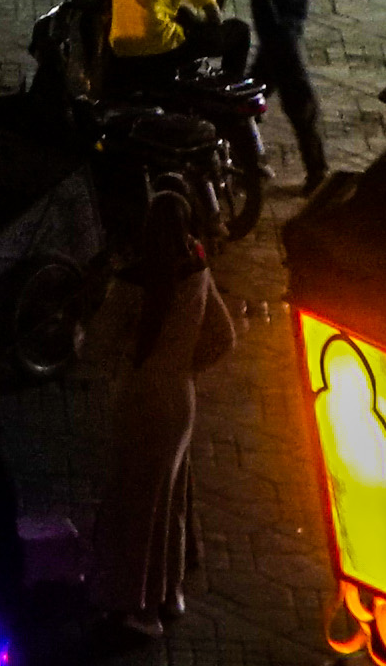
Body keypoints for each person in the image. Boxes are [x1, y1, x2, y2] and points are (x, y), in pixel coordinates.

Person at [95, 195, 237, 640]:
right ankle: (169, 591)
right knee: (171, 501)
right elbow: (224, 337)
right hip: (179, 400)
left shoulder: (130, 283)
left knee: (133, 505)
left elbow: (98, 345)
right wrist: (186, 365)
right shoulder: (197, 274)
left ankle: (135, 605)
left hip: (137, 399)